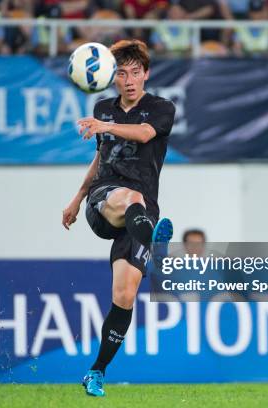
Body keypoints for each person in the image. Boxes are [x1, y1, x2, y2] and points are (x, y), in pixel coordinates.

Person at [62, 39, 176, 397]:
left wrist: (104, 127)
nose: (129, 80)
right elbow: (99, 160)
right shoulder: (103, 109)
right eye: (122, 73)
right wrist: (77, 199)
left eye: (135, 72)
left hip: (143, 214)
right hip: (105, 201)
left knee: (124, 296)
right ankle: (153, 242)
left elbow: (144, 134)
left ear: (146, 74)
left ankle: (96, 372)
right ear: (112, 77)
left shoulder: (161, 108)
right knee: (129, 197)